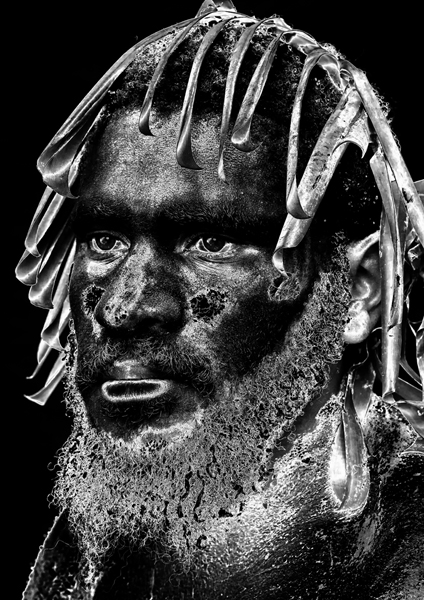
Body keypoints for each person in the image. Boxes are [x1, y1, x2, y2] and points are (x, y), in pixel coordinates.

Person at [17, 1, 423, 598]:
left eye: (211, 242)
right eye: (104, 241)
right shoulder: (93, 546)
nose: (124, 307)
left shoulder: (409, 545)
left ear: (360, 288)